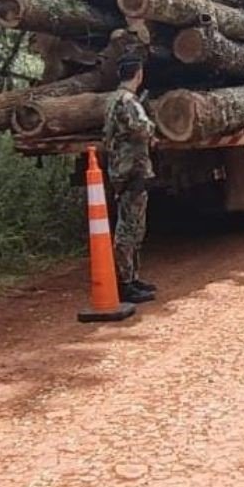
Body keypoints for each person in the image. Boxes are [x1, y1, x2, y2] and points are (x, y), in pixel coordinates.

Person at [103, 53, 157, 305]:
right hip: (131, 169)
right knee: (129, 228)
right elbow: (142, 128)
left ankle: (133, 278)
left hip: (123, 168)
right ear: (138, 74)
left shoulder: (113, 99)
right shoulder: (128, 101)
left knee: (134, 226)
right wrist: (152, 125)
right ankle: (125, 283)